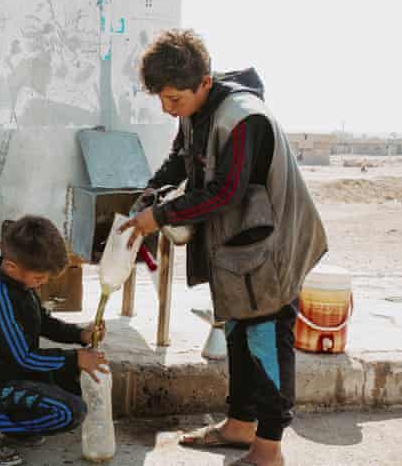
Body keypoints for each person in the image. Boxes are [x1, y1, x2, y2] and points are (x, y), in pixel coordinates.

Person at [120, 29, 327, 466]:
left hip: (271, 251)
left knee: (267, 342)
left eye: (173, 99)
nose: (166, 107)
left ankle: (268, 448)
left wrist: (158, 217)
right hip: (238, 251)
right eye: (161, 98)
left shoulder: (243, 119)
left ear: (205, 83)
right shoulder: (195, 112)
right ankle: (239, 425)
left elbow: (224, 193)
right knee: (237, 334)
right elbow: (181, 160)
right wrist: (151, 192)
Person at [0, 215, 109, 466]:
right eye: (39, 278)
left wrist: (80, 334)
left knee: (83, 386)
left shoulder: (21, 285)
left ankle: (20, 425)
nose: (42, 284)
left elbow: (43, 322)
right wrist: (75, 358)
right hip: (0, 386)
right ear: (11, 266)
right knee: (71, 412)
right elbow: (24, 357)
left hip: (25, 375)